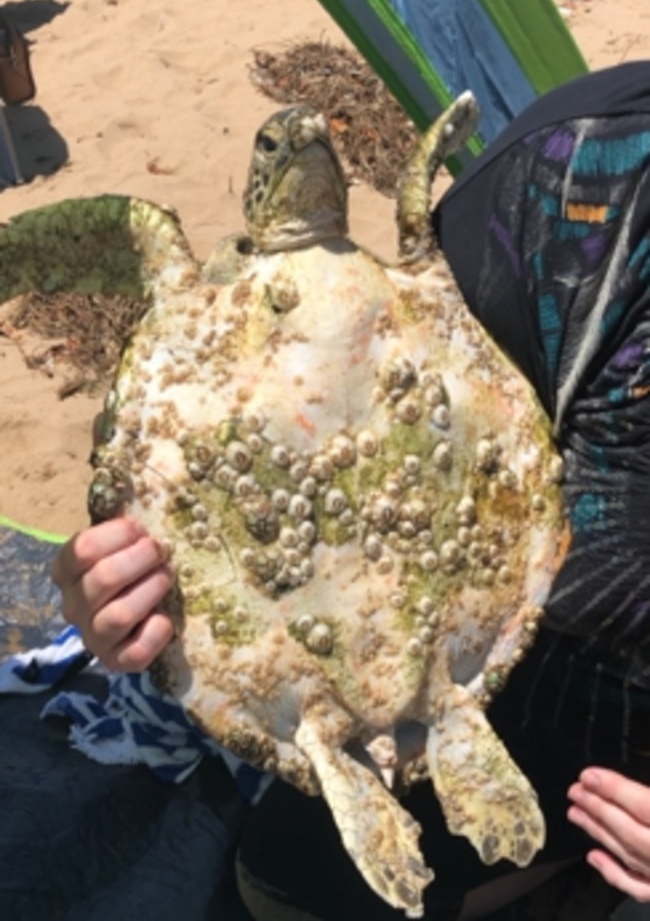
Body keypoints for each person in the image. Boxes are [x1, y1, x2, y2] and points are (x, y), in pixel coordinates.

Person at [52, 60, 650, 920]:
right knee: (289, 883)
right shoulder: (566, 193)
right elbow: (394, 452)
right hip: (518, 697)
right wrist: (132, 582)